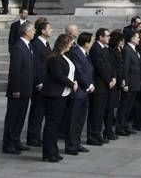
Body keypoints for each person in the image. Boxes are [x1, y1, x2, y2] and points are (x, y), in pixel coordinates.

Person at [41, 33, 77, 162]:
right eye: (70, 42)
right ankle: (48, 153)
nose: (72, 45)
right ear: (64, 43)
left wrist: (74, 81)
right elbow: (58, 75)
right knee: (51, 125)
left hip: (62, 95)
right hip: (53, 95)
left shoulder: (63, 57)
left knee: (56, 125)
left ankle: (53, 150)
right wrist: (72, 84)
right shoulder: (54, 58)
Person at [2, 20, 35, 155]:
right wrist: (15, 89)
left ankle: (16, 140)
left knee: (21, 117)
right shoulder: (18, 47)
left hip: (26, 89)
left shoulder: (28, 46)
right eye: (32, 30)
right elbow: (15, 70)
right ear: (26, 32)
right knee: (13, 117)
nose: (34, 32)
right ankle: (8, 144)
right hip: (18, 90)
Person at [65, 31, 94, 155]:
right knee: (73, 120)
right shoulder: (76, 53)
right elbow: (79, 71)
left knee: (80, 120)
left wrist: (91, 83)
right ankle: (70, 145)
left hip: (84, 92)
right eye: (91, 41)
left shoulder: (85, 54)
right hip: (78, 92)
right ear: (86, 43)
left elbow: (90, 70)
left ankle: (76, 143)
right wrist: (88, 84)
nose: (92, 43)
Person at [87, 28, 115, 145]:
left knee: (101, 111)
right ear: (100, 37)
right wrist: (109, 80)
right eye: (107, 36)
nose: (109, 38)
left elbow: (110, 64)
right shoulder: (95, 49)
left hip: (106, 84)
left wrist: (113, 77)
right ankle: (92, 135)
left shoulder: (105, 49)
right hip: (99, 85)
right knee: (96, 112)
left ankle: (97, 133)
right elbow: (100, 67)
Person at [26, 17, 52, 147]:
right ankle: (32, 137)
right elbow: (36, 65)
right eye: (49, 28)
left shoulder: (46, 43)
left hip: (46, 83)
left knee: (40, 112)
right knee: (36, 112)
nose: (51, 30)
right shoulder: (36, 44)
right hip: (39, 84)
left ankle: (36, 135)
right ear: (42, 31)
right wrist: (38, 82)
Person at [117, 29, 141, 135]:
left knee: (129, 106)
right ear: (131, 38)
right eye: (137, 37)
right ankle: (120, 126)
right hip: (129, 82)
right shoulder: (127, 50)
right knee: (124, 105)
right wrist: (125, 83)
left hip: (135, 81)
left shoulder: (134, 49)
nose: (139, 39)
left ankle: (125, 125)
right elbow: (125, 68)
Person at [109, 30, 126, 135]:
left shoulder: (119, 50)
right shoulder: (112, 51)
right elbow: (115, 67)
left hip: (119, 79)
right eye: (120, 40)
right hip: (115, 80)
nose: (122, 42)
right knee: (112, 104)